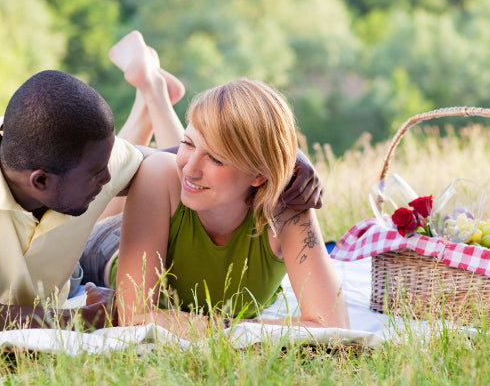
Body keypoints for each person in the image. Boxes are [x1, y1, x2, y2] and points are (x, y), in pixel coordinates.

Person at [0, 31, 323, 333]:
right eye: (98, 176)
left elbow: (187, 163)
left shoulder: (96, 165)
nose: (113, 178)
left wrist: (290, 159)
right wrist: (82, 320)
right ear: (41, 181)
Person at [105, 77, 349, 340]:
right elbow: (133, 317)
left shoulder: (285, 208)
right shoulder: (159, 174)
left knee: (184, 175)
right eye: (186, 143)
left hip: (182, 203)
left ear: (259, 174)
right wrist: (243, 328)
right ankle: (152, 93)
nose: (190, 168)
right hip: (109, 241)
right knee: (124, 173)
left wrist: (212, 327)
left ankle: (153, 96)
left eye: (217, 159)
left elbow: (333, 327)